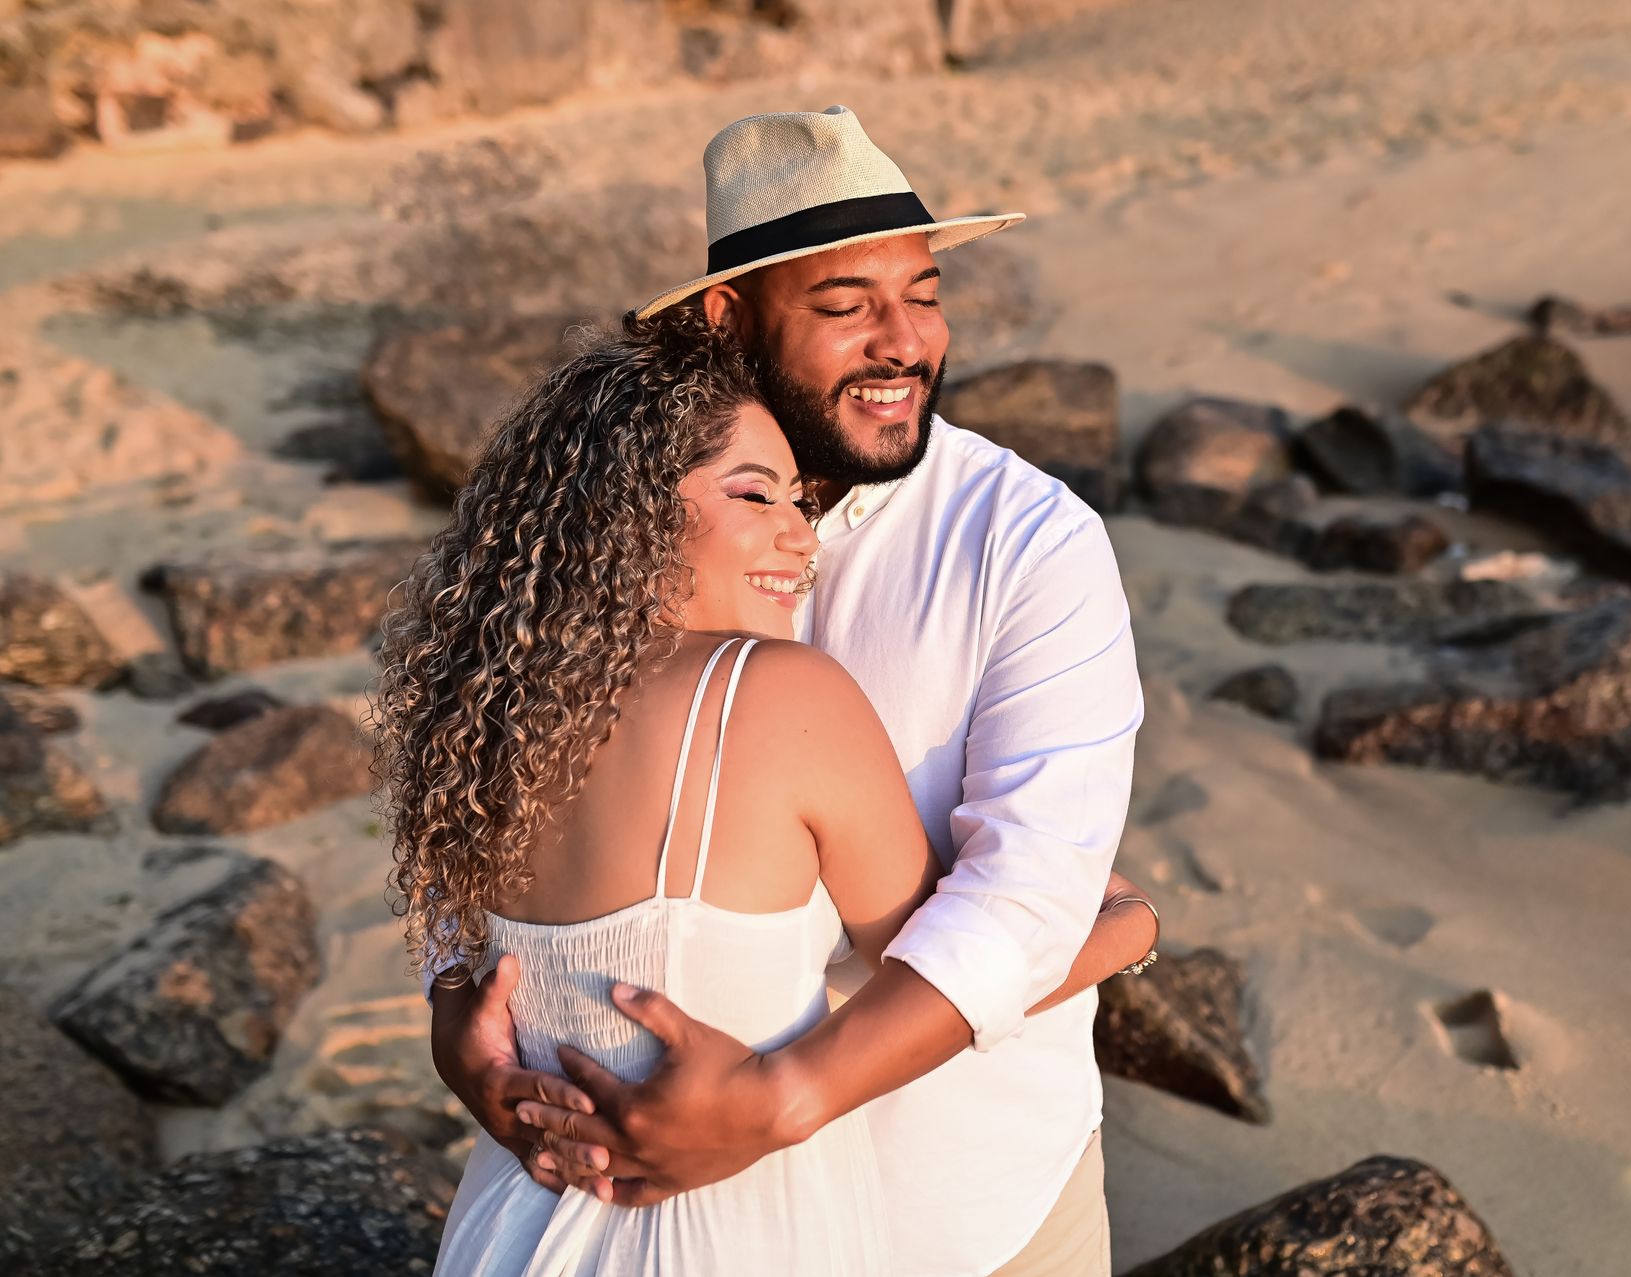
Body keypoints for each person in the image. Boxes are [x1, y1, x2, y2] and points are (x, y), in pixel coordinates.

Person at [431, 106, 1150, 1276]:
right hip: (636, 1194)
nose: (904, 340)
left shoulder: (1028, 541)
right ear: (730, 316)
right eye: (845, 304)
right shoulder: (620, 523)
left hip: (965, 1190)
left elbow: (1022, 888)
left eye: (922, 293)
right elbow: (486, 788)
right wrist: (453, 1003)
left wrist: (782, 1097)